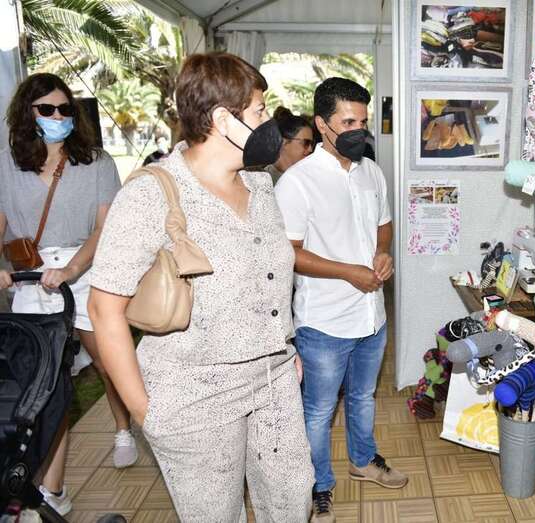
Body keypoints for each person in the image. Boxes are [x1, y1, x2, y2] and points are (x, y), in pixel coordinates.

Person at [87, 52, 314, 521]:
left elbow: (270, 278)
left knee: (293, 500)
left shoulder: (260, 183)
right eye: (259, 111)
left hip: (273, 382)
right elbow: (103, 309)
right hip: (194, 393)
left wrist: (285, 348)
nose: (268, 121)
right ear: (222, 119)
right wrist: (145, 413)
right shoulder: (151, 194)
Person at [275, 77, 404, 523]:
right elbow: (289, 252)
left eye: (362, 121)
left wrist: (382, 252)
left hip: (372, 316)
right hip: (324, 321)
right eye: (347, 121)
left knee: (364, 396)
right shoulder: (296, 182)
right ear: (322, 124)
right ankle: (318, 486)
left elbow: (383, 225)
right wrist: (349, 271)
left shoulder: (371, 170)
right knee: (318, 410)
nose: (358, 130)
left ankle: (363, 460)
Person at [0, 73, 128, 515]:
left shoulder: (96, 162)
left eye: (65, 109)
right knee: (44, 389)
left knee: (117, 366)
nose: (58, 117)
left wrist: (73, 268)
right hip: (32, 281)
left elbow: (104, 227)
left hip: (86, 272)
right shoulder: (5, 165)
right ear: (27, 115)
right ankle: (51, 490)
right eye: (47, 110)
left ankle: (129, 427)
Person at [264, 106, 314, 184]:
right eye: (306, 143)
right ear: (284, 142)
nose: (310, 149)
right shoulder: (264, 181)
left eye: (312, 143)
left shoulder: (310, 176)